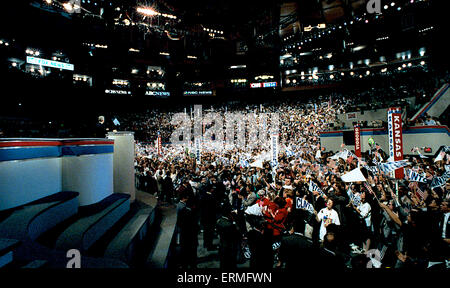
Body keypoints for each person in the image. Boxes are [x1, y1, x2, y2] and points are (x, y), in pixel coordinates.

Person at [175, 189, 198, 269]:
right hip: (186, 231)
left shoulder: (180, 206)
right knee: (187, 248)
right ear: (184, 198)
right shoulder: (184, 208)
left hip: (183, 230)